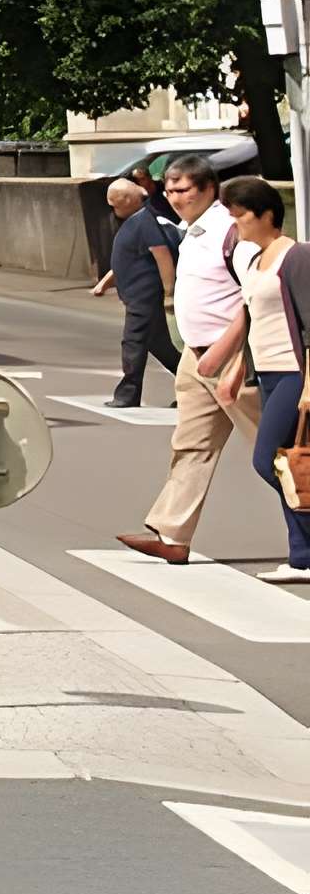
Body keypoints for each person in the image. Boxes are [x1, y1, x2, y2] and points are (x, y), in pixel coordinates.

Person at [123, 154, 256, 563]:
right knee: (190, 446)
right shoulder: (193, 231)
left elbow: (256, 294)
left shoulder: (230, 232)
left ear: (209, 189)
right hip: (197, 359)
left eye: (183, 189)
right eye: (169, 189)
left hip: (232, 358)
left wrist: (225, 351)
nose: (174, 197)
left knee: (278, 449)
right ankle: (172, 535)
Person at [219, 178, 310, 583]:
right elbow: (254, 317)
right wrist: (238, 365)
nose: (234, 221)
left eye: (239, 212)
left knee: (268, 460)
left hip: (296, 371)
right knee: (291, 463)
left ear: (266, 214)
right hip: (270, 370)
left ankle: (305, 553)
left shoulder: (296, 257)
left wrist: (309, 383)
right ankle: (302, 556)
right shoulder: (254, 260)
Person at [91, 173, 181, 410]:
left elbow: (162, 255)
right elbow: (129, 258)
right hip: (139, 296)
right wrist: (106, 282)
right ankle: (193, 386)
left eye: (115, 201)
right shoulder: (137, 221)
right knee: (160, 345)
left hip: (146, 297)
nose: (111, 206)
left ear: (129, 200)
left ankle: (128, 394)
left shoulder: (145, 221)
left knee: (133, 343)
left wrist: (169, 292)